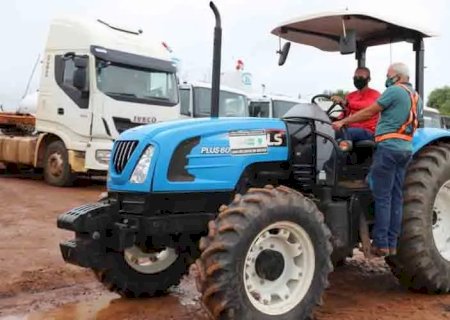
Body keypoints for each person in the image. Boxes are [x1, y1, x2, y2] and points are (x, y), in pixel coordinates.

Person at [332, 62, 423, 257]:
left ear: (398, 77)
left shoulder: (394, 91)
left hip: (388, 147)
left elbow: (369, 111)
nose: (387, 78)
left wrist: (343, 121)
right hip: (405, 148)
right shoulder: (416, 96)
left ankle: (380, 243)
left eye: (389, 74)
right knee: (396, 197)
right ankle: (391, 243)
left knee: (382, 196)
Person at [331, 67, 380, 142]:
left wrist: (346, 103)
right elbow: (344, 113)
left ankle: (341, 153)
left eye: (361, 77)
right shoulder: (350, 96)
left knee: (347, 133)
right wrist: (333, 120)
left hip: (368, 131)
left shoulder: (375, 95)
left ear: (368, 79)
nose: (357, 79)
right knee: (327, 132)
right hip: (351, 129)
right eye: (355, 77)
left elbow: (367, 107)